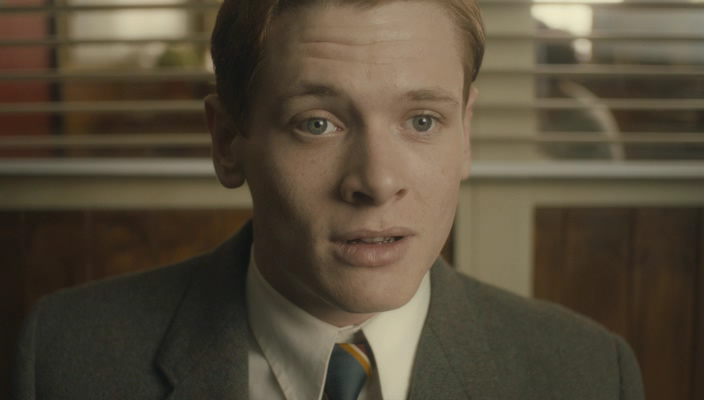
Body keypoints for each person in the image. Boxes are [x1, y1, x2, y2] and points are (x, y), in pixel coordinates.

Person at [13, 0, 645, 399]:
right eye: (318, 123)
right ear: (228, 141)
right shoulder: (64, 359)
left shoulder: (588, 374)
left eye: (422, 120)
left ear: (465, 135)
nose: (376, 181)